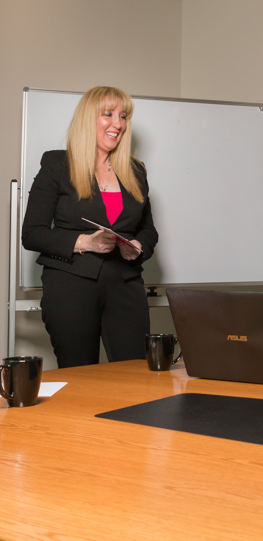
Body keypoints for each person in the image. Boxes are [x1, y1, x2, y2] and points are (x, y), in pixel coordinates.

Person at [22, 86, 158, 368]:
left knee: (135, 376)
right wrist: (84, 242)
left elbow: (148, 230)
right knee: (79, 376)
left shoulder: (136, 171)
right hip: (70, 286)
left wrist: (138, 246)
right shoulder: (57, 165)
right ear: (88, 118)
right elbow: (32, 233)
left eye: (123, 116)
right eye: (108, 114)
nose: (117, 124)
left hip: (125, 285)